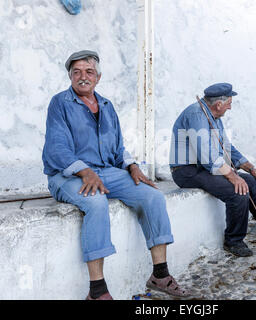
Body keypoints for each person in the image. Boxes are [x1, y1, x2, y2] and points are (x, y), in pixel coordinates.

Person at [42, 50, 190, 299]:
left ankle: (160, 274)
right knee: (95, 202)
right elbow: (57, 148)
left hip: (105, 172)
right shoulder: (60, 103)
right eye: (76, 72)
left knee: (152, 196)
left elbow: (118, 147)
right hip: (66, 174)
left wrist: (132, 166)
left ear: (98, 77)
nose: (82, 77)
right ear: (70, 77)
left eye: (89, 72)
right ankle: (97, 290)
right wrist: (85, 171)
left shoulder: (107, 106)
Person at [170, 83, 256, 257]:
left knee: (254, 184)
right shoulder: (197, 115)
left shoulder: (214, 118)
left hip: (206, 168)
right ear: (219, 104)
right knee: (238, 190)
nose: (230, 107)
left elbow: (226, 147)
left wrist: (250, 168)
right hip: (187, 171)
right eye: (229, 103)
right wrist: (233, 176)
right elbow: (207, 156)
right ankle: (233, 241)